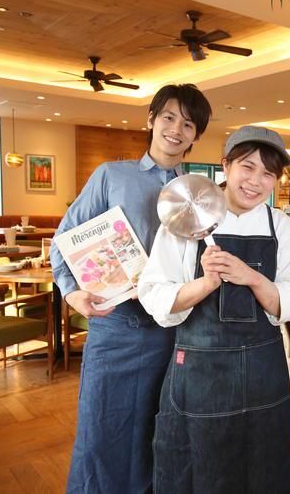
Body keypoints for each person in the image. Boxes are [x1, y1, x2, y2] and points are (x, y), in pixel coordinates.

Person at [50, 84, 212, 493]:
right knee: (101, 432)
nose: (176, 129)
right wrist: (71, 292)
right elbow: (65, 239)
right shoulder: (111, 175)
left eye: (188, 124)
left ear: (196, 135)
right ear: (151, 119)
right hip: (117, 326)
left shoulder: (197, 191)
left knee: (159, 434)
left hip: (173, 331)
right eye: (169, 117)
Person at [138, 126, 290, 493]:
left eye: (268, 173)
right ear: (225, 165)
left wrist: (252, 278)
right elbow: (153, 296)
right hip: (200, 372)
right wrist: (206, 283)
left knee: (263, 472)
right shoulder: (185, 220)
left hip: (263, 374)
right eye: (247, 167)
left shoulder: (284, 228)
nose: (256, 181)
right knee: (198, 470)